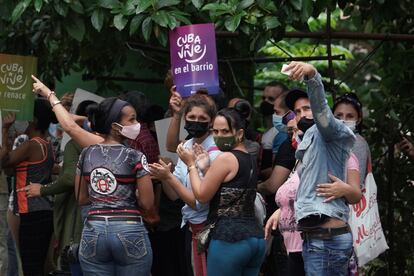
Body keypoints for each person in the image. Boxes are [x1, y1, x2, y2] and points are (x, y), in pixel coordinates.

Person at [282, 62, 362, 276]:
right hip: (314, 239)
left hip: (327, 240)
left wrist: (311, 75)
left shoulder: (330, 132)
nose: (302, 114)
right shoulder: (308, 140)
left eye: (307, 108)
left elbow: (322, 111)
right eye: (297, 111)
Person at [176, 107, 265, 276]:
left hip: (229, 239)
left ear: (239, 134)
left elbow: (201, 196)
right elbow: (228, 187)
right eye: (215, 131)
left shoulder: (225, 158)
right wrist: (207, 167)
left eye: (225, 131)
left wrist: (191, 165)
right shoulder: (250, 158)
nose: (219, 136)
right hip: (255, 239)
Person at [75, 97, 154, 275]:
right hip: (129, 228)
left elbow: (81, 198)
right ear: (115, 126)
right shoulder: (135, 156)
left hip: (93, 231)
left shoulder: (86, 154)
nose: (137, 124)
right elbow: (148, 204)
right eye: (132, 119)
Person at [18, 100, 97, 275]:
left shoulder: (74, 144)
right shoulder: (117, 146)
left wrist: (43, 189)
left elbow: (69, 178)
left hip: (79, 224)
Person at [149, 93, 219, 276]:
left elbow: (198, 202)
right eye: (192, 117)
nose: (196, 122)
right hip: (190, 226)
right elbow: (174, 195)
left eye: (202, 118)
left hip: (208, 228)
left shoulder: (215, 151)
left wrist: (169, 177)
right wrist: (164, 174)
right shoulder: (187, 145)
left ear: (211, 122)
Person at [1, 99, 58, 276]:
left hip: (32, 212)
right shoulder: (45, 143)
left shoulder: (32, 144)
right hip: (41, 211)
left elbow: (4, 161)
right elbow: (11, 171)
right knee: (36, 265)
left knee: (30, 267)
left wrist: (5, 129)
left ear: (32, 119)